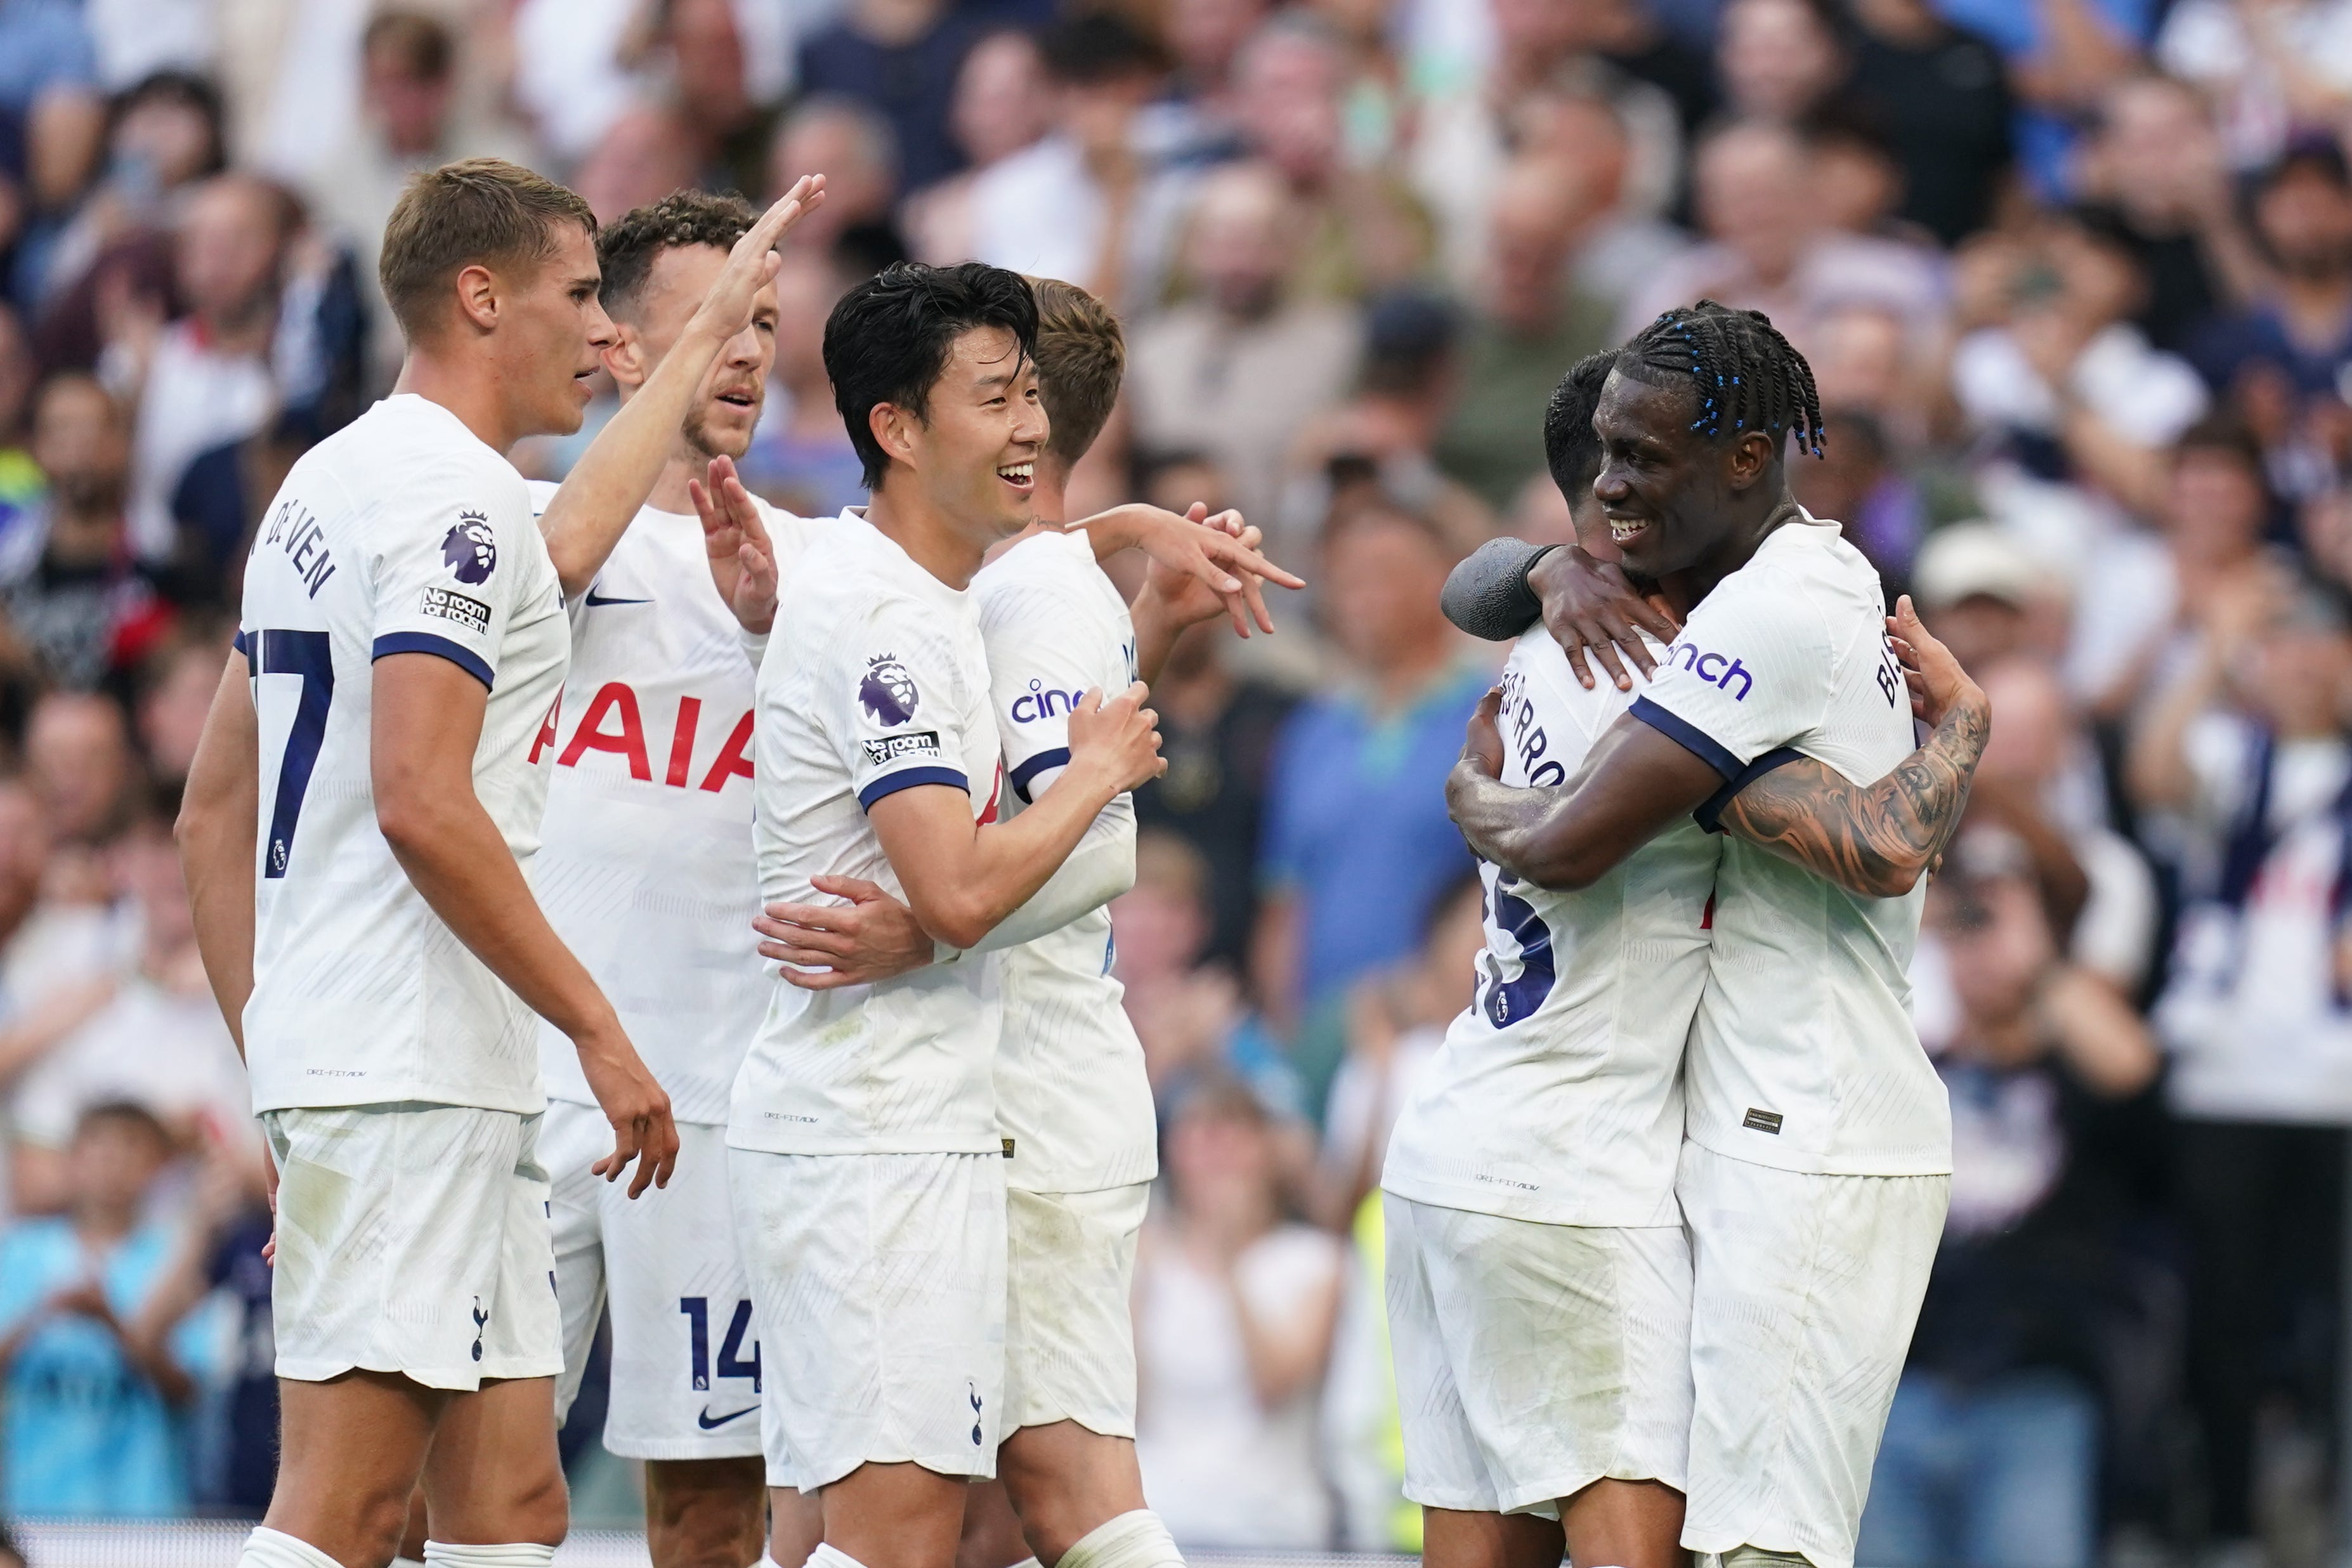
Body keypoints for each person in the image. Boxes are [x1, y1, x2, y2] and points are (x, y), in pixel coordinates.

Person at [172, 158, 693, 1568]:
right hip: (403, 1063)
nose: (606, 331)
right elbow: (420, 795)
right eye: (582, 296)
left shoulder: (321, 487)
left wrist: (281, 1067)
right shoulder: (459, 505)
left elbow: (208, 819)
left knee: (512, 1509)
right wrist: (599, 1029)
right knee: (343, 1511)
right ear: (481, 297)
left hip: (390, 1064)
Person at [1401, 343, 1990, 1568]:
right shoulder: (1664, 671)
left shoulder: (1677, 646)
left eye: (1642, 465)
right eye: (1607, 469)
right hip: (1581, 1167)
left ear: (1740, 463)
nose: (1621, 491)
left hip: (1567, 1140)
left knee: (1750, 1548)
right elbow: (1878, 843)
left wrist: (1475, 795)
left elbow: (1873, 850)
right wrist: (1966, 726)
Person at [724, 259, 1271, 1568]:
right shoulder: (912, 612)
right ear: (898, 430)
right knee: (931, 1521)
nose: (1023, 424)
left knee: (916, 1519)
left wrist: (1131, 533)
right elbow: (990, 869)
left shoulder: (960, 588)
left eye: (1031, 395)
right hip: (888, 1123)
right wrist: (1085, 779)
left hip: (957, 1107)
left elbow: (1007, 851)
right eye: (995, 396)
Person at [521, 183, 838, 1568]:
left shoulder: (821, 566)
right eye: (720, 318)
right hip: (527, 1080)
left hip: (715, 1095)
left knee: (709, 1506)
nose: (752, 352)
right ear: (620, 347)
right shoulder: (531, 530)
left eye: (768, 321)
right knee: (450, 1478)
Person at [0, 1101, 211, 1517]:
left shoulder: (174, 1260)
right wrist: (43, 1313)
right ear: (72, 1161)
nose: (112, 1166)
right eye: (99, 1149)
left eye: (130, 1151)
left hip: (144, 1509)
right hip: (35, 1507)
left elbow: (187, 1389)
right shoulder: (21, 1251)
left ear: (158, 1169)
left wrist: (110, 1321)